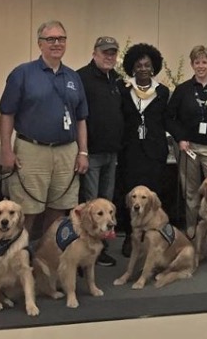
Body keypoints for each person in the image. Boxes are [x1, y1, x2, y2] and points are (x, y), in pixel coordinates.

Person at [0, 20, 88, 235]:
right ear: (40, 43)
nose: (56, 43)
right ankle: (20, 259)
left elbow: (81, 118)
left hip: (67, 151)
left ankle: (46, 258)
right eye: (50, 39)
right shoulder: (23, 73)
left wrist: (83, 152)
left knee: (59, 208)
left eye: (61, 39)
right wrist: (6, 151)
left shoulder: (73, 77)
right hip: (32, 150)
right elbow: (7, 114)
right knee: (26, 210)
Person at [166, 45, 207, 239]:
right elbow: (169, 117)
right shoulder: (183, 90)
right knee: (191, 190)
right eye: (197, 62)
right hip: (189, 147)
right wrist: (180, 138)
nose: (200, 66)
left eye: (204, 62)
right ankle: (192, 227)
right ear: (192, 64)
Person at [117, 43, 170, 257]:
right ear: (132, 67)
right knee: (132, 197)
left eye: (147, 65)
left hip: (154, 152)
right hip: (130, 151)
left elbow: (167, 120)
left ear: (153, 67)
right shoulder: (123, 89)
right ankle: (132, 239)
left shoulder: (162, 92)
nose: (143, 68)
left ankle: (152, 237)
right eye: (138, 65)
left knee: (152, 198)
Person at [77, 36, 124, 266]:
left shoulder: (116, 79)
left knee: (106, 205)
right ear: (94, 53)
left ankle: (100, 247)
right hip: (92, 154)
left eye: (113, 53)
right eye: (105, 52)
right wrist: (82, 151)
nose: (109, 56)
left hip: (111, 153)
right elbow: (79, 116)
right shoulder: (81, 78)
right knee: (91, 206)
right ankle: (87, 249)